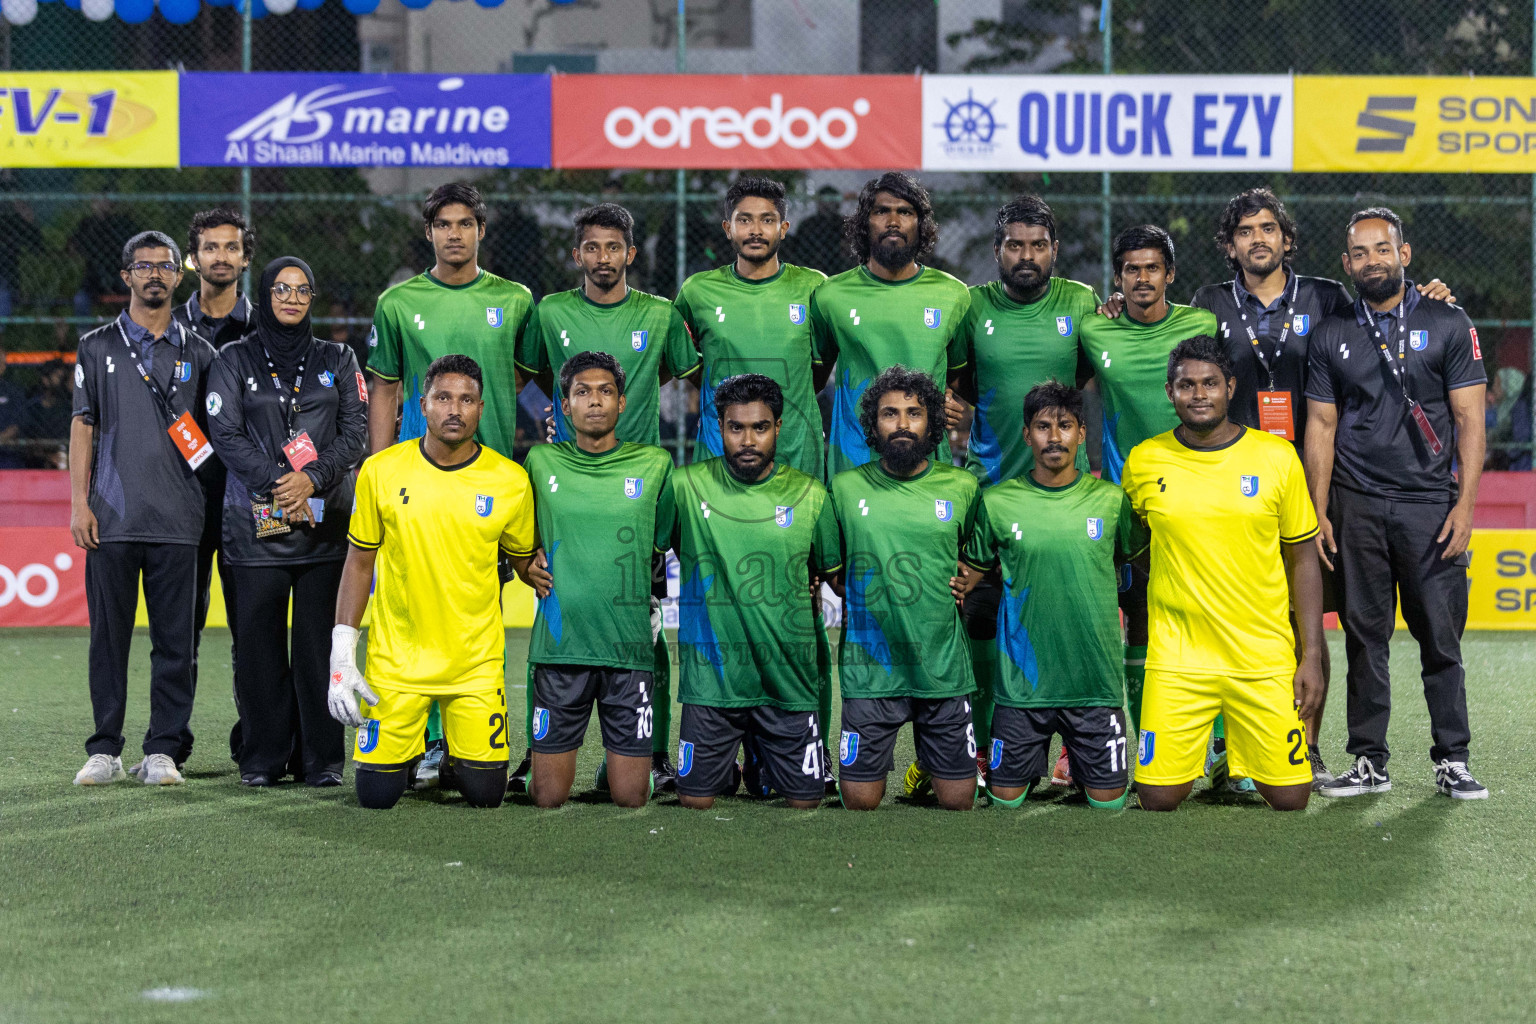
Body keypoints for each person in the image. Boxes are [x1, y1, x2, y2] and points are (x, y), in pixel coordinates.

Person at [514, 201, 700, 795]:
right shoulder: (551, 312)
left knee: (648, 623)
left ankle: (658, 752)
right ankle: (534, 747)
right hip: (570, 489)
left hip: (638, 491)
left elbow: (675, 375)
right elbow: (540, 380)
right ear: (576, 256)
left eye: (612, 247)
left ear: (630, 254)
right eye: (591, 248)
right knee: (554, 614)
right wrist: (562, 421)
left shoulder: (661, 314)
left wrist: (627, 425)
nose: (602, 258)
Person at [1305, 207, 1489, 800]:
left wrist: (1465, 507)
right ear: (1346, 264)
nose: (1371, 261)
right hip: (1355, 505)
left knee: (1441, 638)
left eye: (1381, 250)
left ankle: (1452, 758)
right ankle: (1368, 761)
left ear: (1403, 255)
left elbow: (1470, 419)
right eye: (1358, 253)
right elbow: (1321, 426)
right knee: (1364, 637)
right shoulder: (1332, 332)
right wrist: (1316, 511)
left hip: (1431, 506)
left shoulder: (1448, 320)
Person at [367, 182, 535, 789]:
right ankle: (418, 742)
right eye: (444, 224)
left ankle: (463, 738)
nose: (455, 234)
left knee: (472, 605)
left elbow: (519, 374)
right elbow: (385, 384)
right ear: (430, 232)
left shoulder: (515, 300)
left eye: (466, 223)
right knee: (412, 608)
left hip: (483, 481)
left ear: (481, 232)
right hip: (415, 483)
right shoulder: (397, 302)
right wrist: (380, 468)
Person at [1122, 336, 1324, 812]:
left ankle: (1233, 752)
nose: (1199, 394)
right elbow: (1132, 549)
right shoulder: (1144, 460)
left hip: (1260, 654)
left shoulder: (1276, 458)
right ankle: (1216, 757)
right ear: (1169, 392)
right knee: (1157, 797)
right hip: (1178, 656)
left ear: (1230, 387)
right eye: (1186, 385)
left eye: (1210, 383)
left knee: (1292, 798)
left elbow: (1303, 558)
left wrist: (1310, 654)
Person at [327, 354, 536, 810]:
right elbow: (359, 562)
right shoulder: (381, 471)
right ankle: (411, 751)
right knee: (376, 796)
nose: (454, 409)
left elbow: (524, 560)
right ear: (422, 404)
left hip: (474, 664)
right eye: (443, 397)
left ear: (482, 408)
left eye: (466, 399)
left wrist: (541, 571)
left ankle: (451, 756)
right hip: (397, 664)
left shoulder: (511, 480)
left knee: (485, 795)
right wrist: (342, 652)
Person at [948, 194, 1100, 789]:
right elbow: (954, 381)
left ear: (1054, 251)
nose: (1027, 255)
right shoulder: (973, 307)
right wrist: (955, 406)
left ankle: (1071, 748)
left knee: (1070, 620)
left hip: (1065, 496)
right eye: (1015, 245)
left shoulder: (1081, 303)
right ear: (998, 251)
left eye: (1038, 245)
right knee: (982, 619)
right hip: (991, 493)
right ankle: (987, 746)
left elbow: (1093, 373)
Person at [206, 257, 368, 787]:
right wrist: (283, 483)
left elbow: (355, 432)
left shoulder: (338, 357)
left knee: (317, 646)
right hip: (255, 529)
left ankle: (320, 761)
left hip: (326, 527)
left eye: (302, 290)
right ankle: (261, 760)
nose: (293, 298)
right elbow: (224, 433)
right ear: (266, 294)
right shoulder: (234, 358)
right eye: (282, 289)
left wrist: (313, 479)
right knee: (258, 648)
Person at [70, 231, 218, 787]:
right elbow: (83, 424)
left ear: (179, 276)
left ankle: (162, 751)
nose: (154, 274)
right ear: (127, 275)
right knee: (107, 638)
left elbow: (216, 435)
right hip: (110, 519)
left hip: (180, 521)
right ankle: (104, 749)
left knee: (175, 643)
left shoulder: (201, 352)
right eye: (144, 266)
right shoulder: (96, 345)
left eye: (165, 266)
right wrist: (80, 503)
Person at [961, 381, 1144, 809]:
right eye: (1043, 427)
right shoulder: (997, 503)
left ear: (1082, 432)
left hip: (1093, 686)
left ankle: (1083, 765)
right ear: (1027, 435)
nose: (1054, 437)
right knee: (1005, 799)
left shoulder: (1112, 501)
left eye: (1065, 426)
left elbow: (1141, 559)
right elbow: (967, 573)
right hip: (1023, 692)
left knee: (1109, 802)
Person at [670, 374, 841, 809]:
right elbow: (654, 547)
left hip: (787, 685)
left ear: (778, 427)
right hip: (712, 687)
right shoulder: (685, 488)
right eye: (736, 427)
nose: (748, 439)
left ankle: (758, 764)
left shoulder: (811, 495)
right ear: (719, 428)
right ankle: (731, 764)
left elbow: (835, 576)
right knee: (695, 802)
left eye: (760, 427)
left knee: (805, 803)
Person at [1077, 226, 1217, 759]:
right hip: (1126, 501)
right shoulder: (1095, 330)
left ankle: (1222, 746)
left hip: (1197, 497)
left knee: (1204, 615)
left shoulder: (1201, 325)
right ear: (1118, 278)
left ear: (1170, 274)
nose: (1142, 278)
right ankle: (1145, 745)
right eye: (1131, 270)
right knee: (1135, 617)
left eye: (1152, 268)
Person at [520, 351, 676, 809]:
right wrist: (521, 563)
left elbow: (661, 541)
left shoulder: (654, 465)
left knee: (630, 796)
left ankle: (620, 765)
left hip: (627, 652)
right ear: (563, 406)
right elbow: (520, 539)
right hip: (561, 649)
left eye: (606, 391)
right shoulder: (539, 462)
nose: (595, 401)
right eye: (582, 392)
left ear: (623, 403)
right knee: (547, 796)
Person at [829, 366, 979, 812]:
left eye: (914, 413)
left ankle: (929, 767)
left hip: (942, 670)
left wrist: (966, 580)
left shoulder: (963, 487)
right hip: (871, 674)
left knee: (958, 801)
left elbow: (977, 558)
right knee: (860, 801)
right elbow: (833, 572)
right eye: (889, 414)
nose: (901, 424)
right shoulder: (844, 488)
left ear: (931, 420)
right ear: (873, 424)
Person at [810, 172, 971, 478]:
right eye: (882, 211)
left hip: (929, 466)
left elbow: (959, 379)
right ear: (864, 223)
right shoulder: (831, 295)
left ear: (920, 225)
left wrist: (947, 398)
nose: (893, 221)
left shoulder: (954, 295)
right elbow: (814, 379)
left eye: (905, 212)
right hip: (854, 466)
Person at [174, 207, 257, 773]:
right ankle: (168, 743)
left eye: (231, 247)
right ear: (194, 258)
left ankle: (255, 740)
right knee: (182, 628)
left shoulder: (268, 326)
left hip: (249, 500)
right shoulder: (167, 327)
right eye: (210, 248)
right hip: (182, 501)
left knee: (252, 628)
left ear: (245, 258)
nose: (221, 257)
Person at [674, 176, 828, 480]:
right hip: (720, 456)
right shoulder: (697, 292)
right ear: (728, 228)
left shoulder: (815, 288)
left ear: (783, 229)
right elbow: (679, 360)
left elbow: (824, 367)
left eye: (767, 220)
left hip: (797, 454)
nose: (756, 230)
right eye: (744, 220)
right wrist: (716, 387)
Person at [789, 185, 851, 275]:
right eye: (823, 200)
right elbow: (798, 248)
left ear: (837, 203)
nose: (826, 204)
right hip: (810, 264)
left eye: (830, 200)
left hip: (837, 266)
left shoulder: (845, 223)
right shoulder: (807, 224)